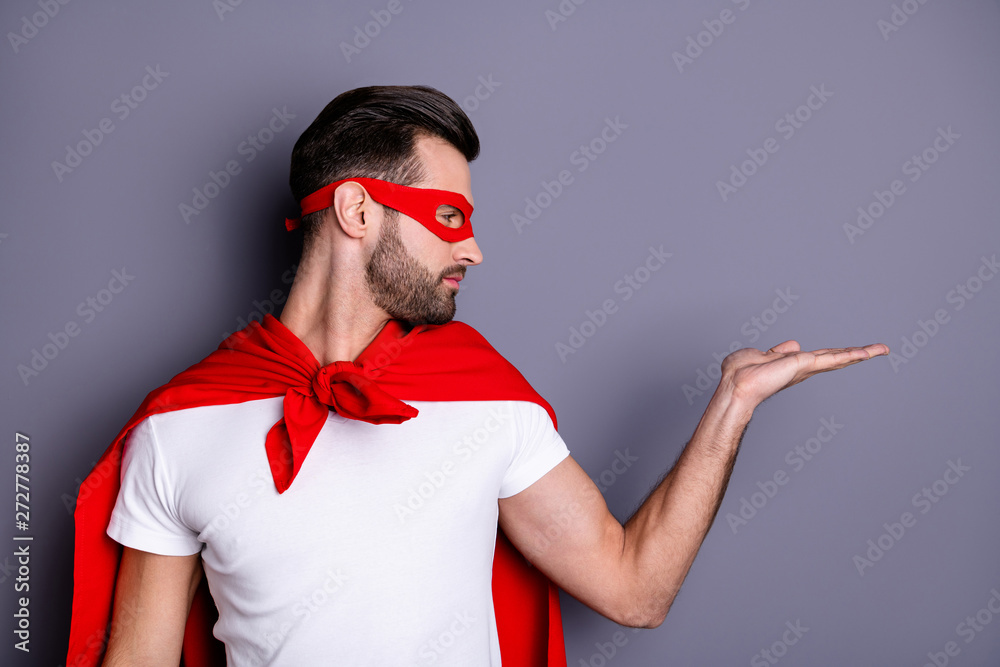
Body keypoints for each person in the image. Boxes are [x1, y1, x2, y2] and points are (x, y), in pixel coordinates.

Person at [80, 85, 887, 666]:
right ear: (358, 211)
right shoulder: (180, 426)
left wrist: (732, 408)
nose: (472, 250)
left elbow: (636, 591)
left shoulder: (485, 399)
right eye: (451, 219)